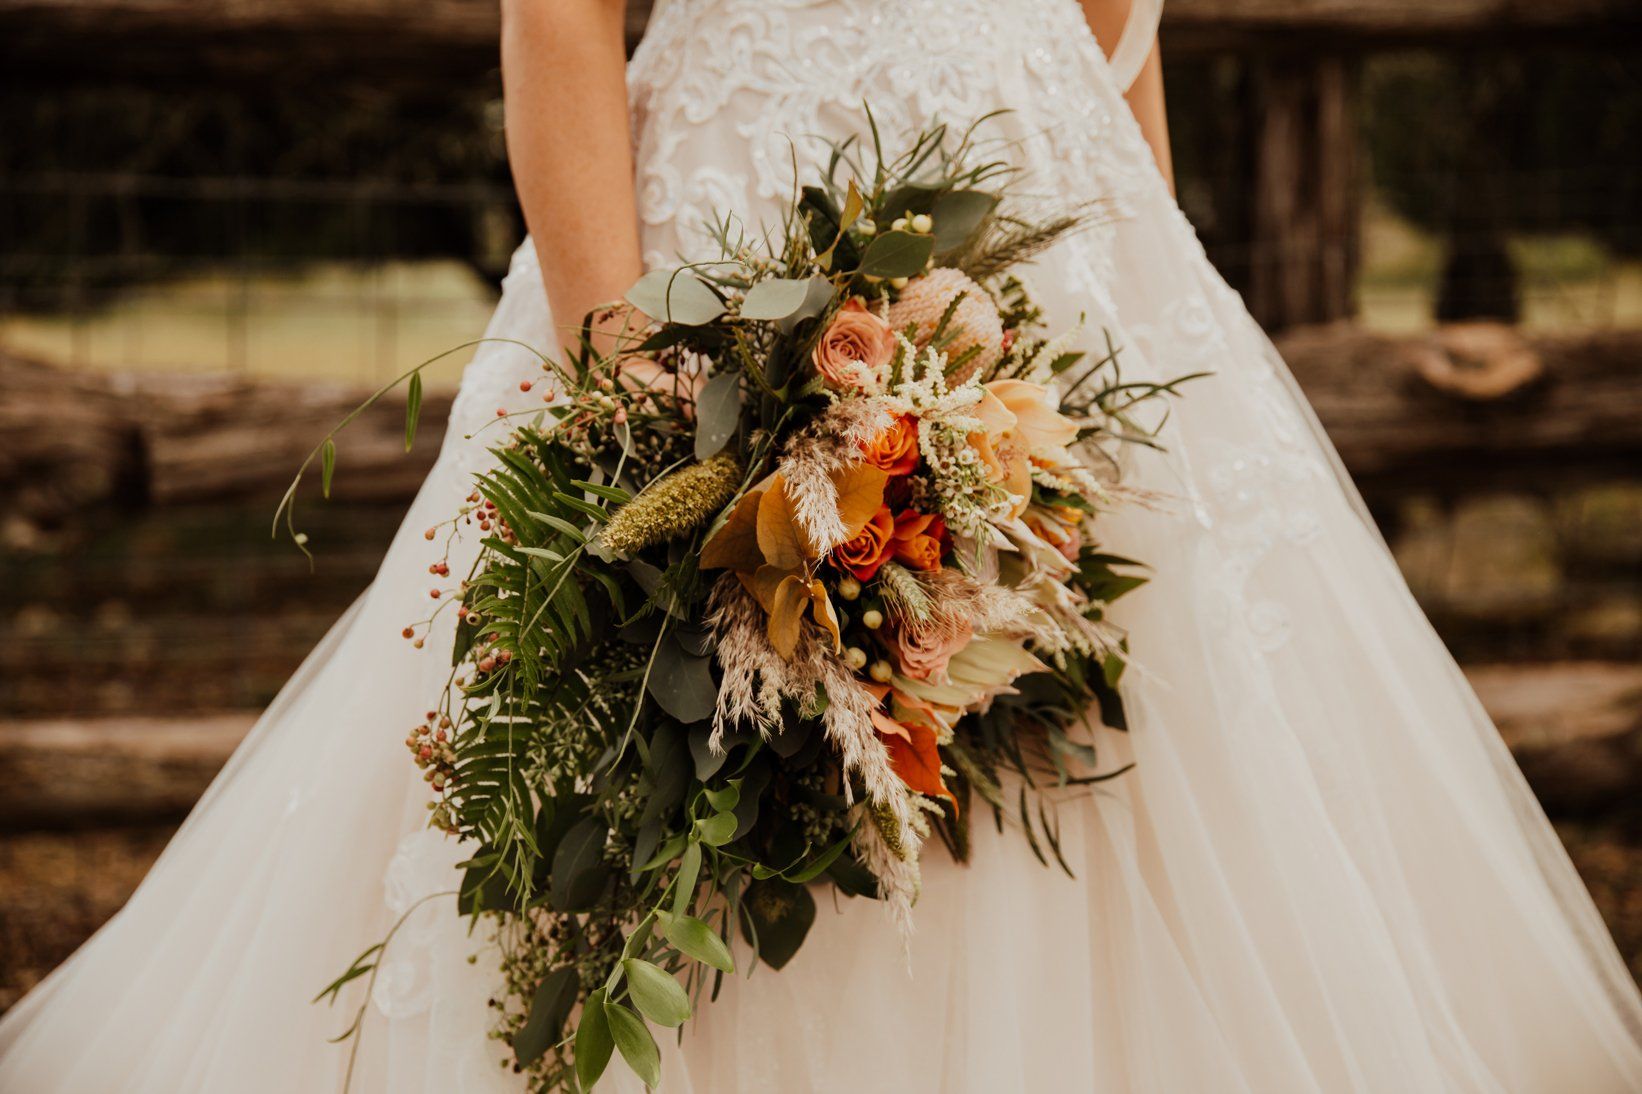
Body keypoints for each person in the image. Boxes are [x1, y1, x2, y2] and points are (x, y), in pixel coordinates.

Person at [4, 0, 1641, 1090]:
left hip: (1063, 268)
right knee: (676, 808)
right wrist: (623, 372)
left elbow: (1113, 31)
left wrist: (1141, 345)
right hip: (722, 241)